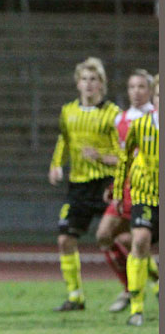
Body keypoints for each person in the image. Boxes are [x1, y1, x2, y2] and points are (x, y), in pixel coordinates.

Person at [48, 57, 121, 311]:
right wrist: (56, 164)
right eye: (84, 79)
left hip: (107, 184)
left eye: (94, 79)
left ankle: (148, 286)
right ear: (77, 83)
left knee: (123, 239)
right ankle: (75, 296)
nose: (89, 84)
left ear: (102, 84)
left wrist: (101, 156)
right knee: (65, 240)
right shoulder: (68, 112)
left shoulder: (113, 114)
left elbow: (124, 153)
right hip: (78, 186)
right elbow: (64, 141)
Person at [95, 69, 156, 312]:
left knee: (133, 241)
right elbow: (123, 158)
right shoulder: (120, 120)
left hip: (148, 189)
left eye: (141, 87)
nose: (136, 92)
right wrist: (115, 186)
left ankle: (144, 285)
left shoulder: (154, 118)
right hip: (126, 188)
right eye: (132, 87)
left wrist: (101, 157)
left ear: (151, 90)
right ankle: (130, 287)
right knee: (105, 235)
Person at [113, 74, 159, 326]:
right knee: (139, 240)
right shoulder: (140, 126)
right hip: (146, 195)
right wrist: (119, 192)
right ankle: (137, 309)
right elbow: (125, 159)